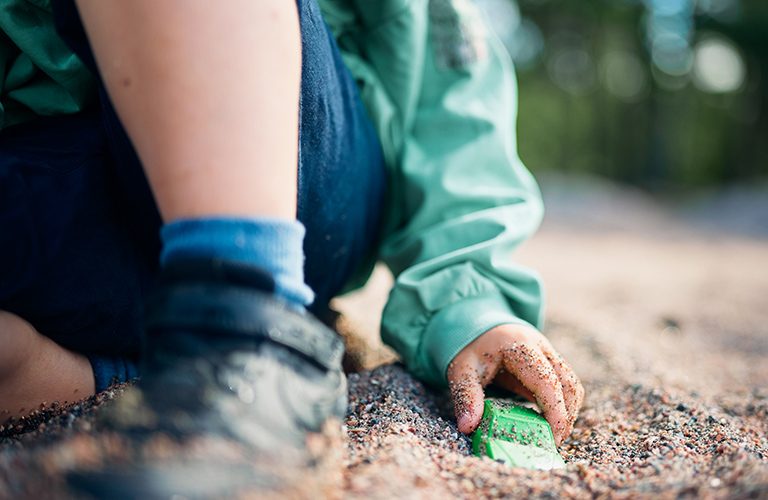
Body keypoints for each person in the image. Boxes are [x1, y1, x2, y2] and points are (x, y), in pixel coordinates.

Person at [0, 0, 584, 495]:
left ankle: (247, 326)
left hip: (281, 171)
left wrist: (472, 297)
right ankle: (107, 373)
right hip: (56, 207)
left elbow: (447, 95)